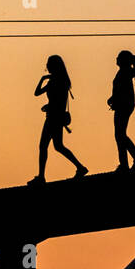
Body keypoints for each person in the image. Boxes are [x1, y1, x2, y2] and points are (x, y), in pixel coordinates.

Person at [29, 55, 88, 186]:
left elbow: (53, 99)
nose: (47, 66)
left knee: (44, 146)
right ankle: (80, 167)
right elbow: (38, 93)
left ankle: (41, 177)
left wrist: (43, 81)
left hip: (53, 118)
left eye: (49, 64)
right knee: (58, 146)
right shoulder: (60, 81)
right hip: (56, 117)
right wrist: (43, 79)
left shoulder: (57, 81)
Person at [108, 50, 135, 171]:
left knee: (120, 135)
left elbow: (122, 90)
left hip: (123, 105)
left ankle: (133, 161)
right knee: (120, 135)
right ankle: (127, 163)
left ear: (123, 60)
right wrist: (113, 98)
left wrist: (115, 99)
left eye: (118, 57)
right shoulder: (124, 72)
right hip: (124, 104)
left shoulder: (125, 72)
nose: (116, 59)